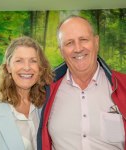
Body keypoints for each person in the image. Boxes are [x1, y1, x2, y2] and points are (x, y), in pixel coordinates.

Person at [37, 15, 126, 150]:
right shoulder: (45, 91)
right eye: (69, 43)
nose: (78, 48)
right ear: (61, 51)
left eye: (83, 39)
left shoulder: (123, 85)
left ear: (96, 42)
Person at [0, 36, 53, 150]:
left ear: (40, 68)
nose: (27, 67)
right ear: (8, 67)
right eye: (19, 61)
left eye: (33, 61)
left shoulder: (46, 104)